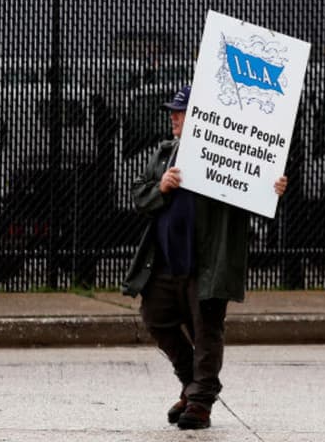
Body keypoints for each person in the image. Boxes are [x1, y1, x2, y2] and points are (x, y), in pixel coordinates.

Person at [122, 84, 287, 430]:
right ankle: (191, 384)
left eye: (180, 111)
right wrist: (160, 188)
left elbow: (253, 193)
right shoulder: (166, 153)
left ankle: (200, 401)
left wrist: (272, 188)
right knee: (155, 317)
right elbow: (139, 195)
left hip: (206, 265)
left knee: (206, 329)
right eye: (174, 111)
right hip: (165, 262)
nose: (173, 117)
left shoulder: (227, 158)